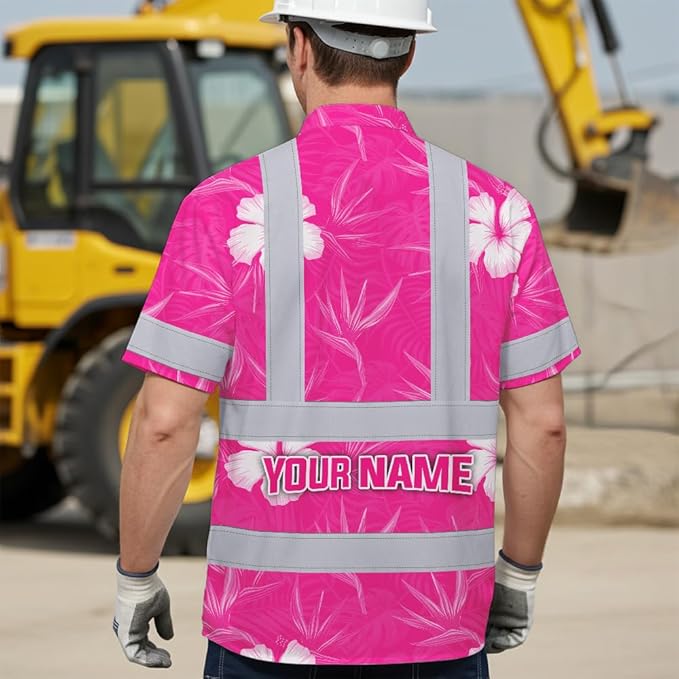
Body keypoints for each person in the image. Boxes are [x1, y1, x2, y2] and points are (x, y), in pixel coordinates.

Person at [113, 1, 581, 677]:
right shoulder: (497, 211)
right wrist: (518, 573)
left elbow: (163, 422)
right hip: (439, 627)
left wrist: (137, 574)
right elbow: (543, 425)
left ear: (299, 46)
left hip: (269, 628)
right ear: (409, 54)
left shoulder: (224, 208)